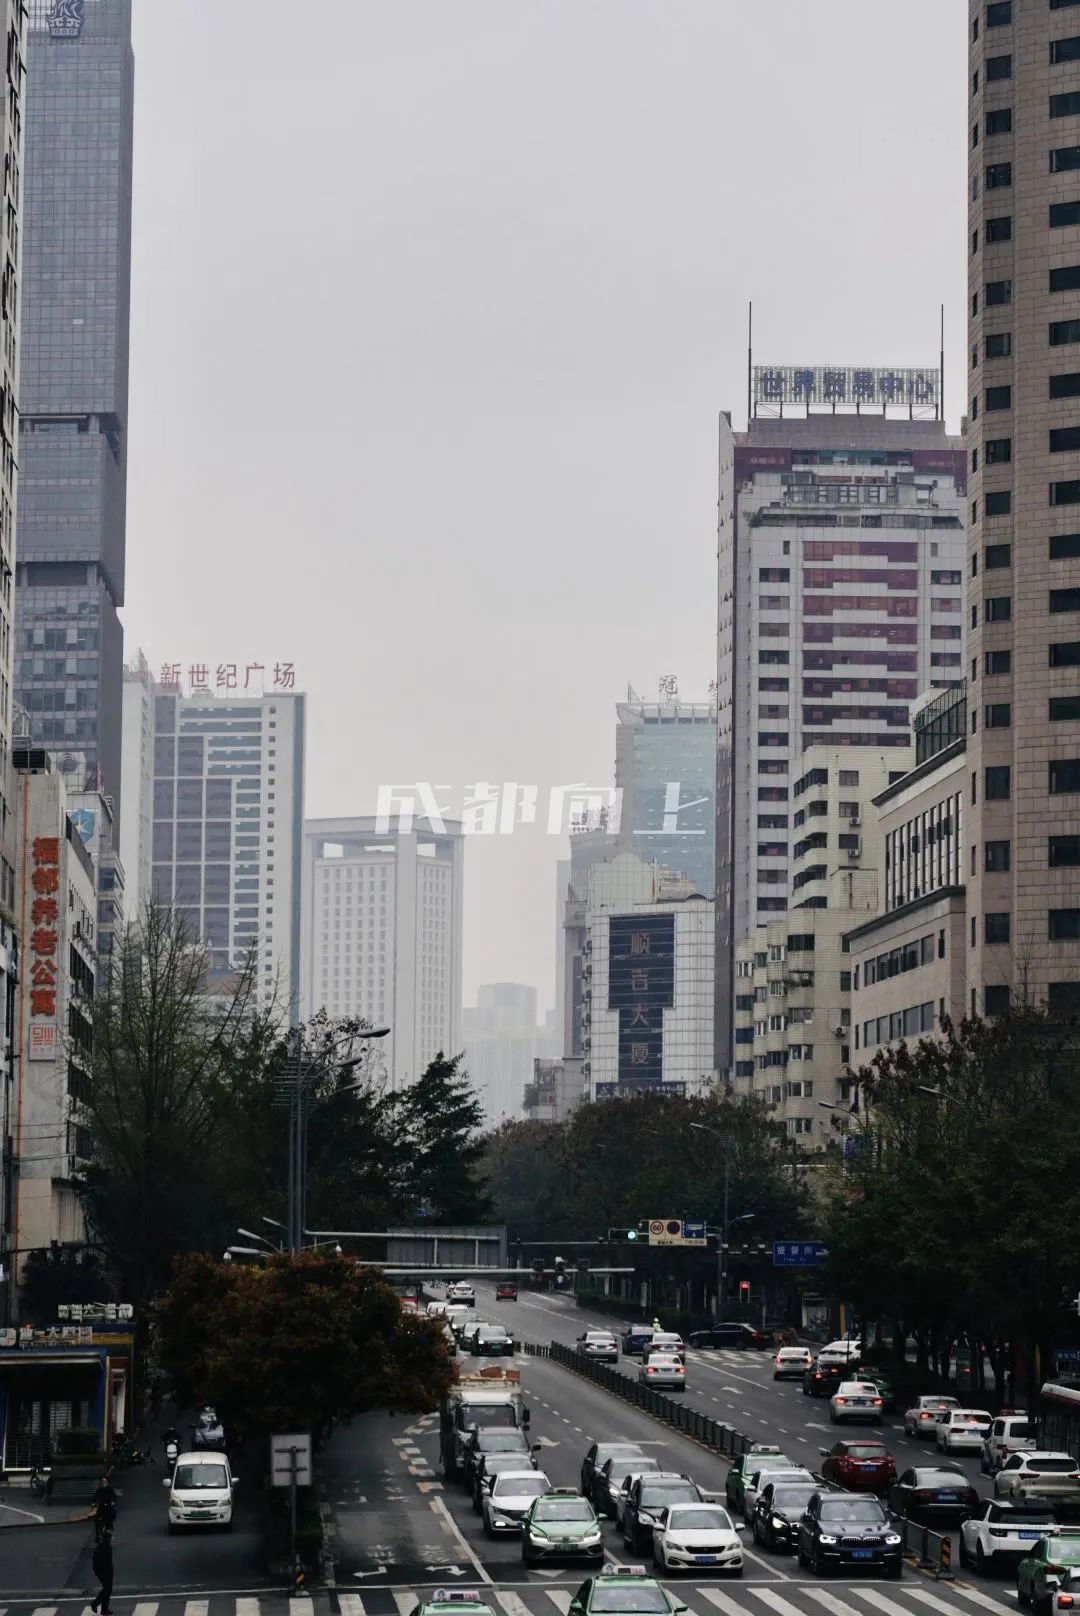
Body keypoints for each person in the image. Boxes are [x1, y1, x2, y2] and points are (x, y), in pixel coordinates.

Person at [90, 1527, 114, 1614]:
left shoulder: (103, 1546)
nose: (112, 1538)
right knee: (107, 1589)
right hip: (104, 1572)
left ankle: (104, 1608)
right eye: (111, 1537)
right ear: (108, 1538)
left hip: (103, 1571)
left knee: (107, 1589)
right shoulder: (106, 1547)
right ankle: (95, 1603)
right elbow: (105, 1562)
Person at [92, 1476, 117, 1543]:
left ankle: (109, 1533)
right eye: (102, 1481)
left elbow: (114, 1497)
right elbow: (95, 1497)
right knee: (97, 1522)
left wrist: (112, 1502)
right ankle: (97, 1537)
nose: (103, 1482)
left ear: (107, 1482)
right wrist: (93, 1502)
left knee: (109, 1520)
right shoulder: (99, 1489)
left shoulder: (110, 1488)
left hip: (109, 1507)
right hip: (101, 1507)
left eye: (104, 1481)